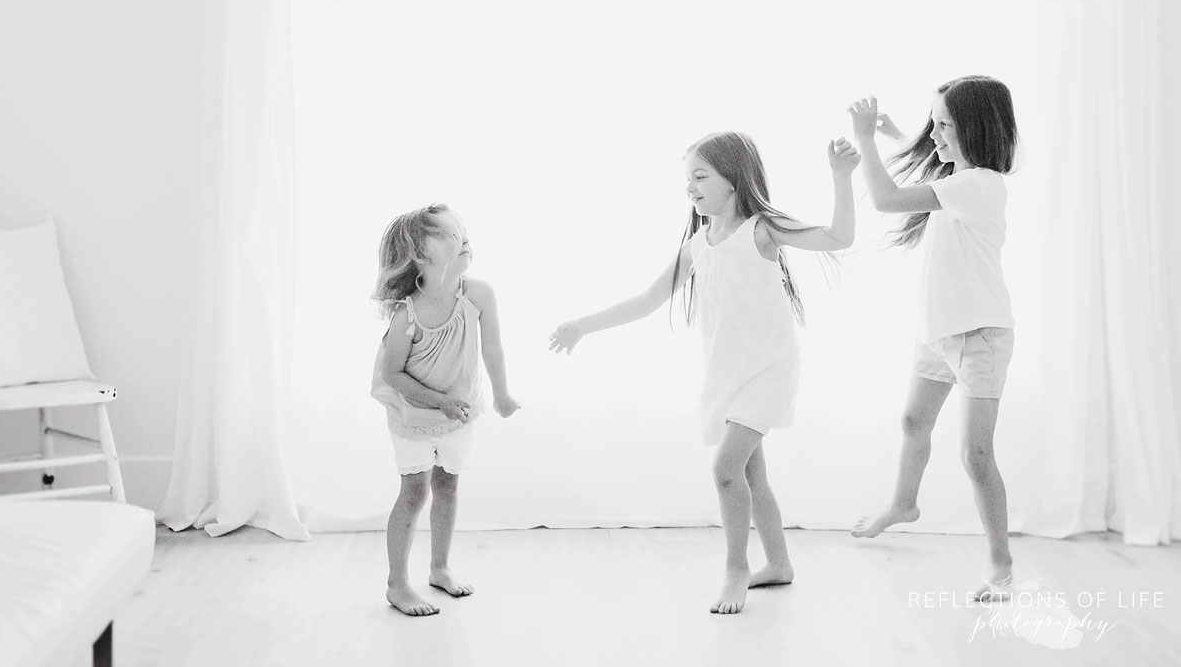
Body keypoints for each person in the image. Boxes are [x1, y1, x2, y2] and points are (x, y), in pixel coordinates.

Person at [550, 131, 859, 614]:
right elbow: (646, 301)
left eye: (699, 177)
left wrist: (841, 177)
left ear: (733, 180)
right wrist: (582, 325)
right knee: (753, 475)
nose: (689, 188)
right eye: (687, 179)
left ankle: (736, 569)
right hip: (727, 373)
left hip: (769, 370)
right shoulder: (699, 244)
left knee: (725, 470)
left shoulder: (761, 229)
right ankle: (779, 564)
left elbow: (839, 237)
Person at [846, 78, 1019, 601]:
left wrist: (865, 140)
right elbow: (929, 157)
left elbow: (886, 199)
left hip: (979, 334)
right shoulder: (963, 176)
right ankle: (904, 503)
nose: (934, 135)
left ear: (977, 129)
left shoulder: (979, 184)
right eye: (934, 122)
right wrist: (898, 132)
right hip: (940, 330)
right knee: (914, 421)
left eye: (945, 125)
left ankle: (1001, 564)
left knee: (976, 454)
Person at [371, 203, 521, 616]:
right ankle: (397, 584)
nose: (463, 238)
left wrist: (503, 394)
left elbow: (492, 348)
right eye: (449, 235)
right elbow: (393, 376)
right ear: (420, 255)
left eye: (463, 231)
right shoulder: (407, 315)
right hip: (414, 415)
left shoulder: (478, 294)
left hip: (459, 410)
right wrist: (438, 401)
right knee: (414, 491)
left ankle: (440, 567)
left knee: (449, 485)